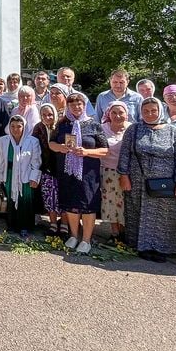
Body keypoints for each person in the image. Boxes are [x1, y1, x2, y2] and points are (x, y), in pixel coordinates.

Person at [118, 97, 176, 262]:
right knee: (138, 212)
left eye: (153, 110)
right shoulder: (134, 130)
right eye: (146, 111)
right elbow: (124, 154)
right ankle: (141, 246)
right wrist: (124, 175)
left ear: (160, 110)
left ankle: (164, 248)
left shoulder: (173, 131)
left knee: (164, 216)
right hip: (137, 181)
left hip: (165, 183)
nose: (150, 114)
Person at [49, 92, 108, 255]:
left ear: (85, 105)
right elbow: (51, 143)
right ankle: (74, 236)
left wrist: (87, 152)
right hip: (67, 171)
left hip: (88, 172)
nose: (76, 107)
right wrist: (60, 147)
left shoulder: (94, 124)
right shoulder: (62, 124)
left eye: (79, 104)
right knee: (71, 204)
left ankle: (86, 240)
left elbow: (105, 150)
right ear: (68, 106)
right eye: (72, 104)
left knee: (88, 205)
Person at [0, 115, 42, 238]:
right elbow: (2, 160)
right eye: (13, 126)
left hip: (25, 175)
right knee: (11, 199)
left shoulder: (32, 141)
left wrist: (34, 177)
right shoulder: (4, 140)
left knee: (25, 201)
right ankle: (11, 224)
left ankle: (25, 226)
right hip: (10, 174)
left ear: (24, 127)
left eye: (19, 126)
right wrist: (0, 177)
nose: (15, 129)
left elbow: (36, 161)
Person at [99, 102, 131, 243]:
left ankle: (126, 232)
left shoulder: (132, 128)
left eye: (121, 112)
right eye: (114, 113)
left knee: (126, 202)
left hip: (129, 172)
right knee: (111, 201)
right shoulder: (102, 129)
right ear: (108, 114)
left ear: (126, 114)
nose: (118, 116)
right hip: (108, 170)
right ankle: (115, 232)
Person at [31, 103, 62, 236]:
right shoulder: (38, 127)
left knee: (62, 196)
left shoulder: (61, 126)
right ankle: (53, 223)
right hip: (46, 166)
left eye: (50, 114)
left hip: (61, 167)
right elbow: (33, 144)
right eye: (44, 115)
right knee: (50, 196)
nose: (47, 117)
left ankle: (65, 224)